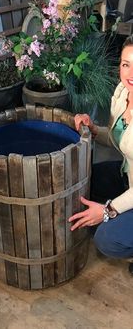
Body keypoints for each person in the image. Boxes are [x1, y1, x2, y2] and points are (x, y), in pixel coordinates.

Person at [68, 34, 133, 272]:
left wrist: (107, 211)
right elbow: (121, 139)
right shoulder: (124, 93)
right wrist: (95, 130)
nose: (131, 74)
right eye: (126, 64)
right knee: (83, 184)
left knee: (106, 239)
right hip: (128, 177)